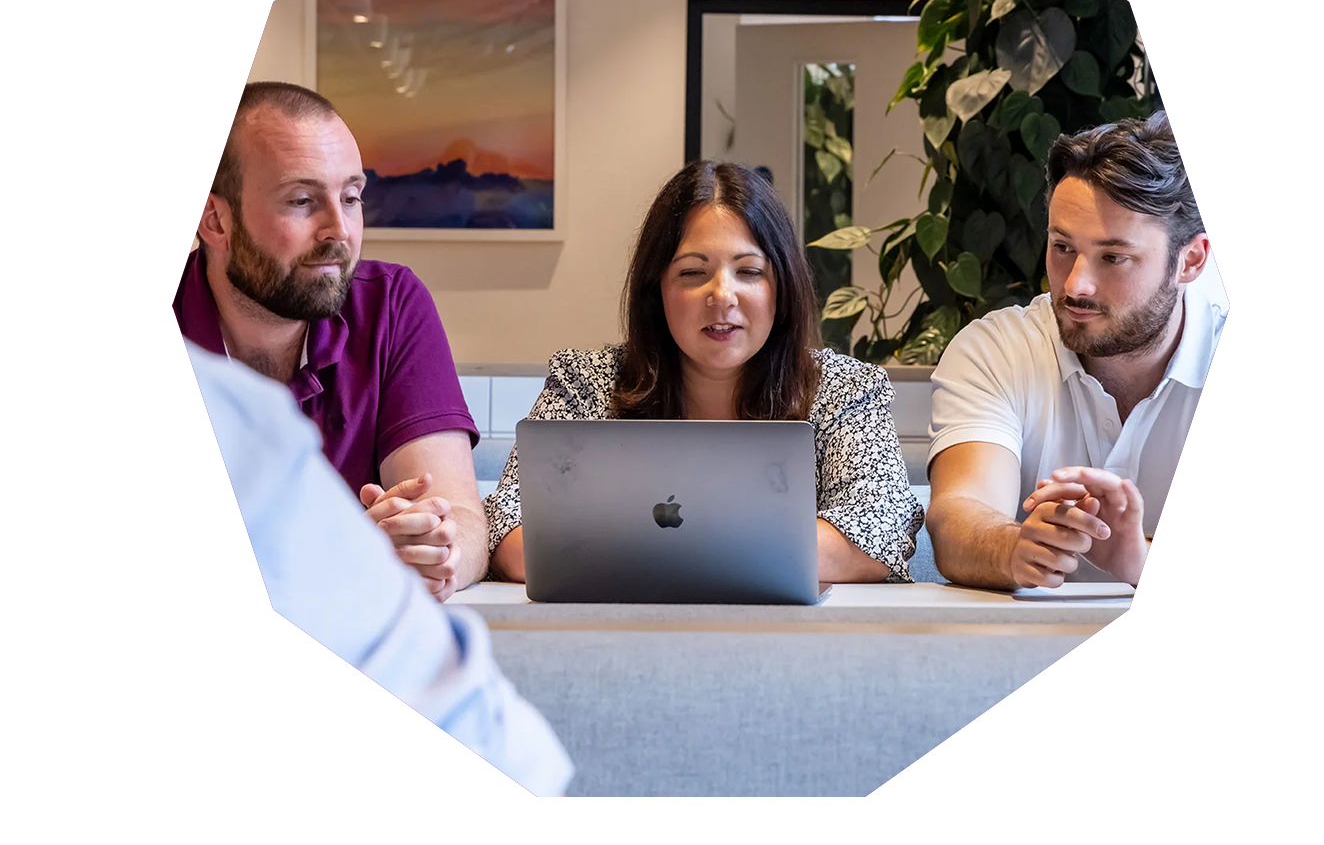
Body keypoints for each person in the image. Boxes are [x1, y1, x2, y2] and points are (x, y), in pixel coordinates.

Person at [484, 160, 922, 583]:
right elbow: (510, 531)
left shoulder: (844, 389)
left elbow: (878, 533)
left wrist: (631, 553)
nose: (722, 295)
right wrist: (741, 554)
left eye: (749, 271)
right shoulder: (586, 383)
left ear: (782, 289)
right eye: (693, 272)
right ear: (657, 290)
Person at [187, 342, 573, 795]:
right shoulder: (234, 412)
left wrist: (429, 546)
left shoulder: (392, 308)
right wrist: (359, 551)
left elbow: (467, 528)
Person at [176, 82, 486, 601]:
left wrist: (434, 549)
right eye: (302, 201)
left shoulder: (391, 305)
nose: (339, 231)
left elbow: (461, 519)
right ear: (215, 220)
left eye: (351, 198)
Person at [925, 111, 1227, 591]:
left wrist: (1141, 561)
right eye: (1062, 247)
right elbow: (957, 516)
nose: (1076, 284)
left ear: (1190, 260)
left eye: (1114, 257)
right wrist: (1013, 548)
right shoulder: (996, 350)